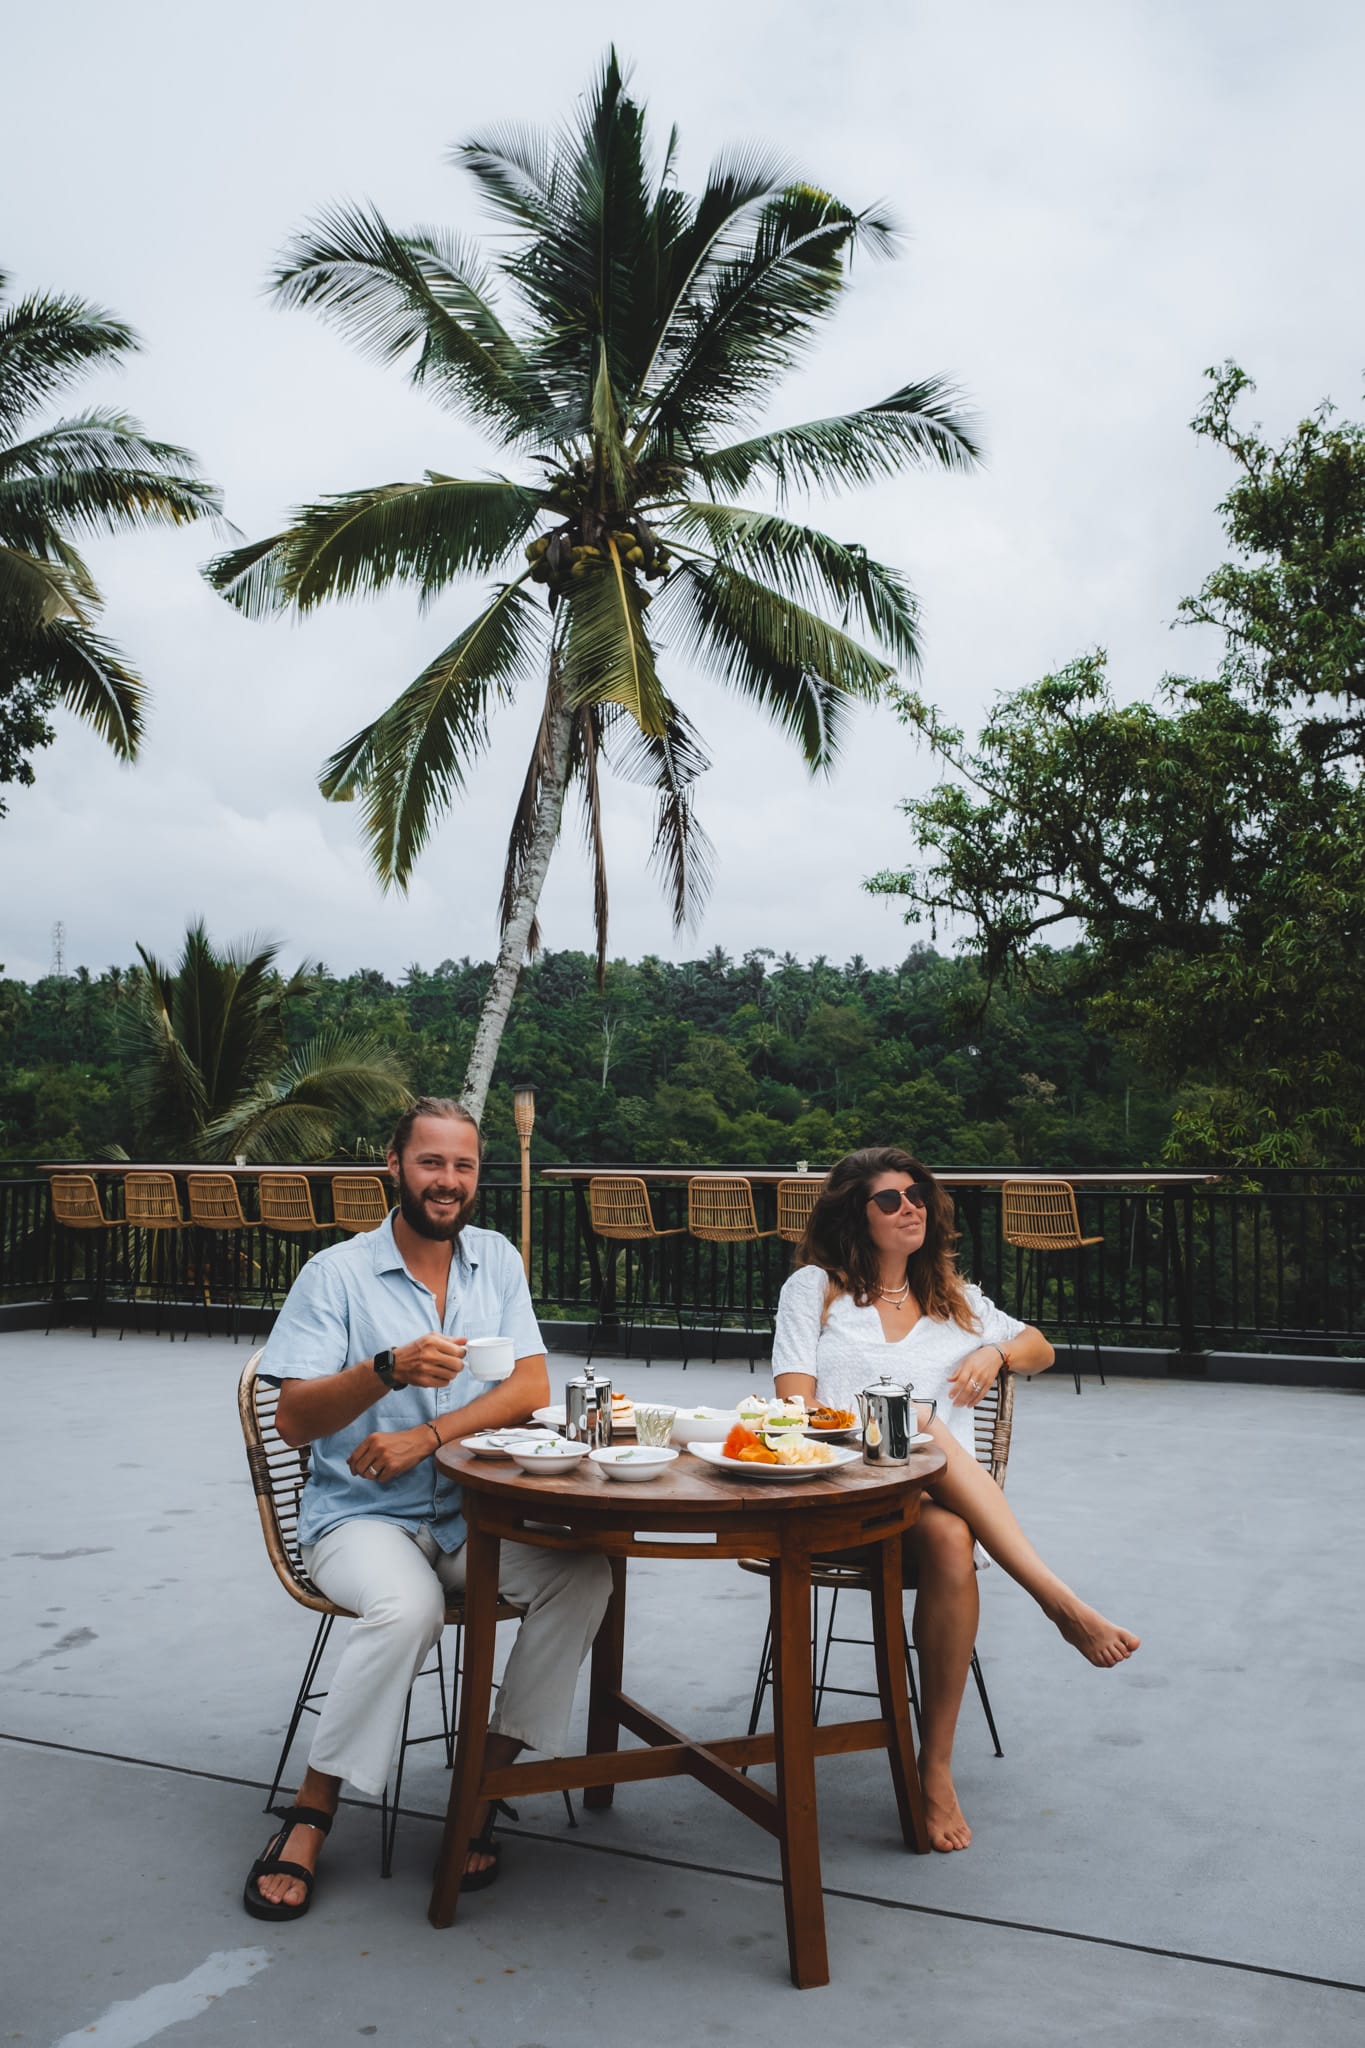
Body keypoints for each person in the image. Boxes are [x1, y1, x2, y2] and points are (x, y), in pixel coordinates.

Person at [243, 1097, 611, 1920]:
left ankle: (486, 1782)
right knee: (406, 1609)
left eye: (463, 1166)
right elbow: (295, 1419)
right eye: (431, 1163)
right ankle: (310, 1812)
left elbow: (529, 1384)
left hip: (469, 1514)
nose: (447, 1182)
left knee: (582, 1574)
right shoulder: (334, 1274)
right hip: (360, 1515)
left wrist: (431, 1433)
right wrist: (386, 1368)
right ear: (394, 1166)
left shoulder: (495, 1261)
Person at [772, 1146, 1138, 1854]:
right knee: (919, 1419)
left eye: (916, 1195)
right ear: (856, 1213)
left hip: (922, 1502)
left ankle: (933, 1768)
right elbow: (793, 1403)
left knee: (948, 1538)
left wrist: (995, 1353)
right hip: (835, 1489)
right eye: (888, 1199)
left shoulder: (954, 1299)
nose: (909, 1207)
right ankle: (1057, 1601)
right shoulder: (814, 1289)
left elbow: (1041, 1348)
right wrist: (881, 1426)